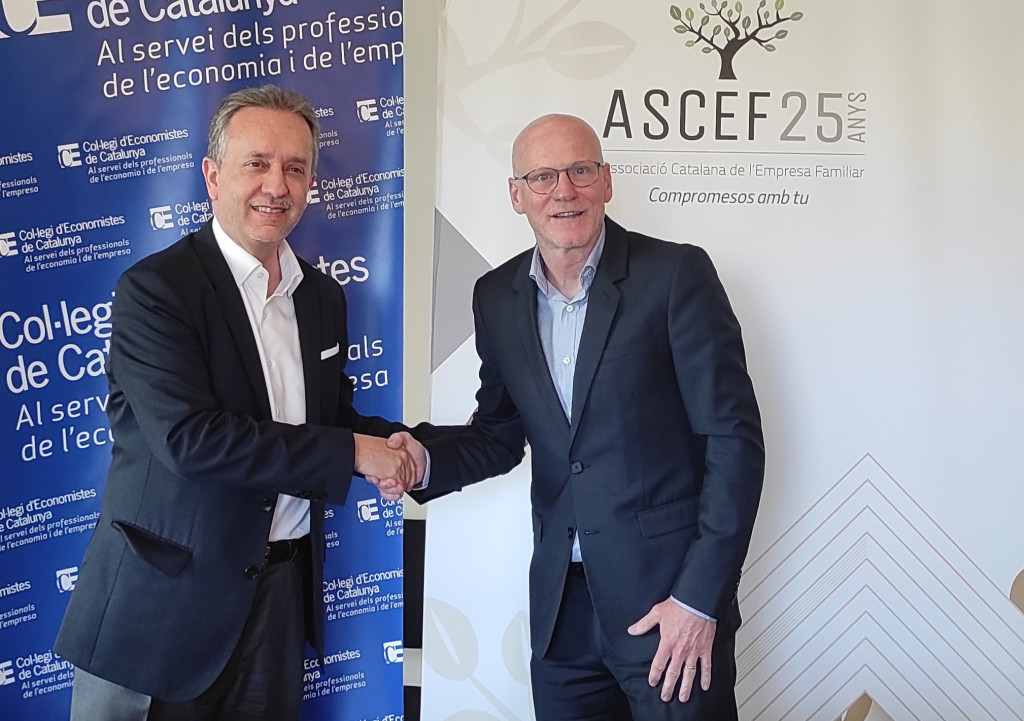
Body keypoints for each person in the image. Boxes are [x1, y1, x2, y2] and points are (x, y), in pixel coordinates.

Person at [380, 113, 765, 720]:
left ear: (606, 181)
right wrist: (422, 459)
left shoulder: (675, 276)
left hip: (667, 604)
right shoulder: (496, 296)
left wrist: (698, 600)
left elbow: (733, 442)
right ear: (517, 194)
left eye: (581, 170)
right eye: (542, 177)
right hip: (562, 613)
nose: (564, 190)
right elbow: (499, 433)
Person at [54, 84, 417, 721]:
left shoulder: (321, 297)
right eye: (257, 163)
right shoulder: (156, 290)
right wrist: (353, 454)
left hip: (279, 596)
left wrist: (403, 447)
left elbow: (328, 422)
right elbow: (192, 441)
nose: (276, 185)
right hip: (164, 604)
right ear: (213, 175)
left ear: (311, 184)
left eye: (295, 168)